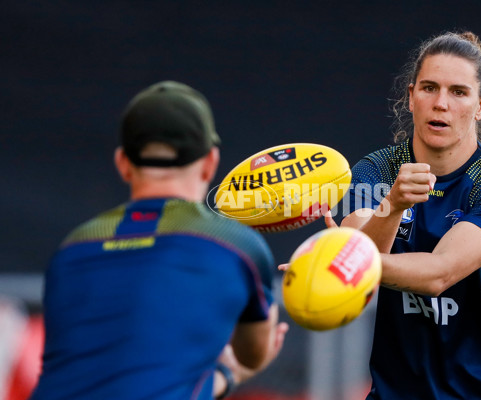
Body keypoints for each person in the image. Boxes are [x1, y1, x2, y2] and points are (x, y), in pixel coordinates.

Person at [30, 81, 288, 400]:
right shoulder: (235, 244)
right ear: (210, 163)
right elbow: (252, 356)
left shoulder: (72, 248)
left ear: (123, 164)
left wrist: (224, 375)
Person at [338, 31, 481, 399]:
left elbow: (439, 274)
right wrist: (393, 205)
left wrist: (333, 258)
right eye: (429, 88)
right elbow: (360, 266)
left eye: (458, 92)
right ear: (410, 97)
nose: (441, 104)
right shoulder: (374, 171)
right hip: (400, 391)